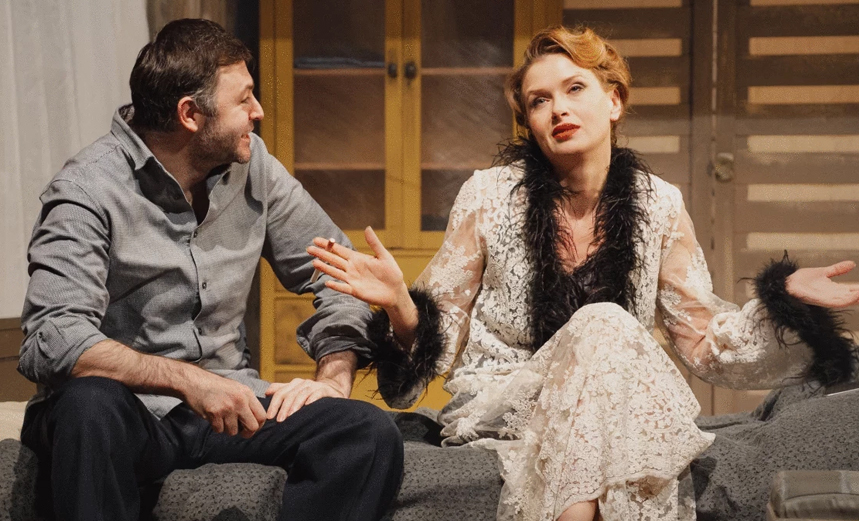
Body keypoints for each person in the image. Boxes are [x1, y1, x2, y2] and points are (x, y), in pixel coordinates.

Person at [306, 26, 859, 521]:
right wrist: (400, 304)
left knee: (606, 331)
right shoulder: (488, 196)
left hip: (609, 399)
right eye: (539, 100)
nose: (558, 110)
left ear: (614, 101)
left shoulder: (660, 205)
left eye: (574, 88)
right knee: (606, 322)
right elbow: (440, 333)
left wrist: (786, 298)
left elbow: (703, 340)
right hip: (507, 401)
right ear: (530, 123)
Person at [18, 18, 403, 521]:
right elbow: (53, 337)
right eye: (244, 99)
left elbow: (341, 277)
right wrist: (189, 382)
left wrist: (332, 378)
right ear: (190, 114)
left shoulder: (254, 167)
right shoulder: (87, 190)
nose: (258, 111)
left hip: (231, 403)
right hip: (128, 413)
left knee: (366, 433)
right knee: (88, 406)